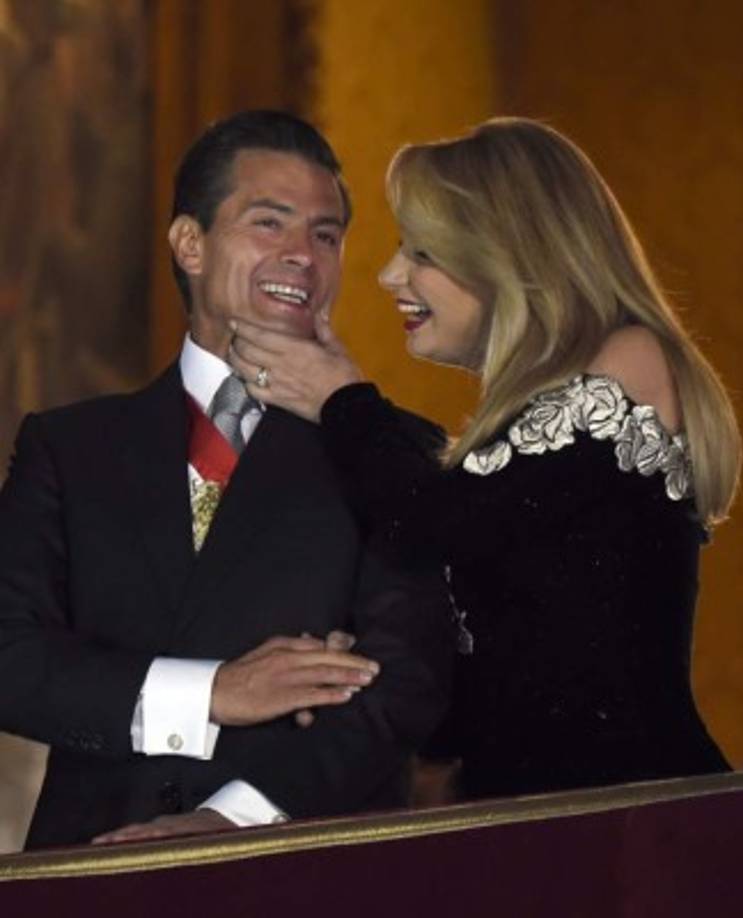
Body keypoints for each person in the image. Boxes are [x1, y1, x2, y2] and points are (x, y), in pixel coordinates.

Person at [228, 117, 742, 802]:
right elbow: (501, 685)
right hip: (530, 826)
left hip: (635, 828)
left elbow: (427, 525)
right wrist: (356, 672)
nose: (389, 275)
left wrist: (342, 400)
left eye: (423, 253)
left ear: (511, 252)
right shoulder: (524, 433)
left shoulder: (630, 356)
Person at [0, 110, 452, 849]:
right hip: (91, 873)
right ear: (190, 243)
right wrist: (212, 692)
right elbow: (8, 656)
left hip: (306, 870)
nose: (303, 255)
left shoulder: (396, 449)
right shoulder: (69, 445)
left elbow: (406, 684)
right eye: (269, 224)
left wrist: (228, 821)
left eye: (326, 234)